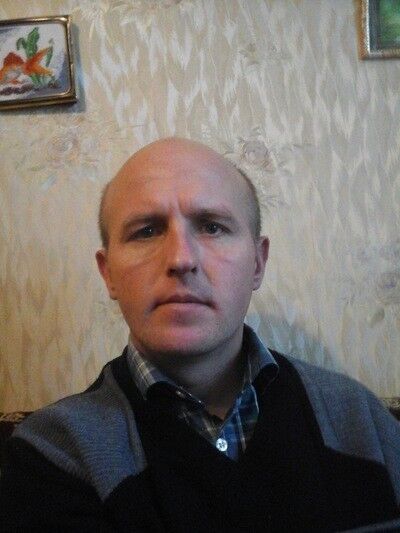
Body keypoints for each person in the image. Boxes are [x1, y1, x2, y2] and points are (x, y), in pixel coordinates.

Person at [1, 137, 400, 532]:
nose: (181, 259)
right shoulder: (53, 454)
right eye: (146, 231)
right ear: (109, 275)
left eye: (212, 227)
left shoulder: (364, 423)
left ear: (258, 263)